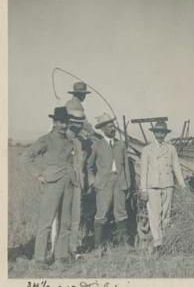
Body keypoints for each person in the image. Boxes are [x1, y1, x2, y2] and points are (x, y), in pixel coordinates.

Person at [20, 107, 75, 267]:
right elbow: (26, 157)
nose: (64, 126)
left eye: (66, 122)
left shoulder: (70, 141)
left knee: (65, 222)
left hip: (69, 183)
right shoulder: (46, 139)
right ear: (54, 122)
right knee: (46, 222)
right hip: (52, 183)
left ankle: (61, 256)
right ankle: (40, 259)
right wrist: (38, 174)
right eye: (60, 122)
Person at [87, 113, 131, 252]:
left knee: (121, 213)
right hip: (103, 184)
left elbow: (126, 167)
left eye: (113, 126)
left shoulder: (121, 145)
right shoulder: (97, 145)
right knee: (101, 214)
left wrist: (127, 184)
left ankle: (123, 244)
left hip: (119, 183)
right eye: (109, 127)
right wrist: (93, 181)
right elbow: (89, 166)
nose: (113, 129)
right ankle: (98, 246)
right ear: (102, 129)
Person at [140, 121, 186, 251]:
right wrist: (143, 189)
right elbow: (143, 171)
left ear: (165, 134)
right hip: (152, 186)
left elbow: (177, 168)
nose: (160, 134)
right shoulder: (147, 150)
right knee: (155, 215)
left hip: (167, 185)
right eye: (157, 132)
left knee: (166, 215)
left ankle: (165, 240)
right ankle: (158, 243)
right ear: (154, 133)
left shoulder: (171, 149)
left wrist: (183, 186)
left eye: (162, 132)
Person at [66, 110, 90, 257]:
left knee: (75, 218)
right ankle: (59, 250)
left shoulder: (80, 141)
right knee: (61, 218)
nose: (78, 127)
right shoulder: (63, 139)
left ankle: (72, 249)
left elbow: (81, 165)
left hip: (77, 185)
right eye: (75, 124)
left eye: (80, 124)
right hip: (63, 183)